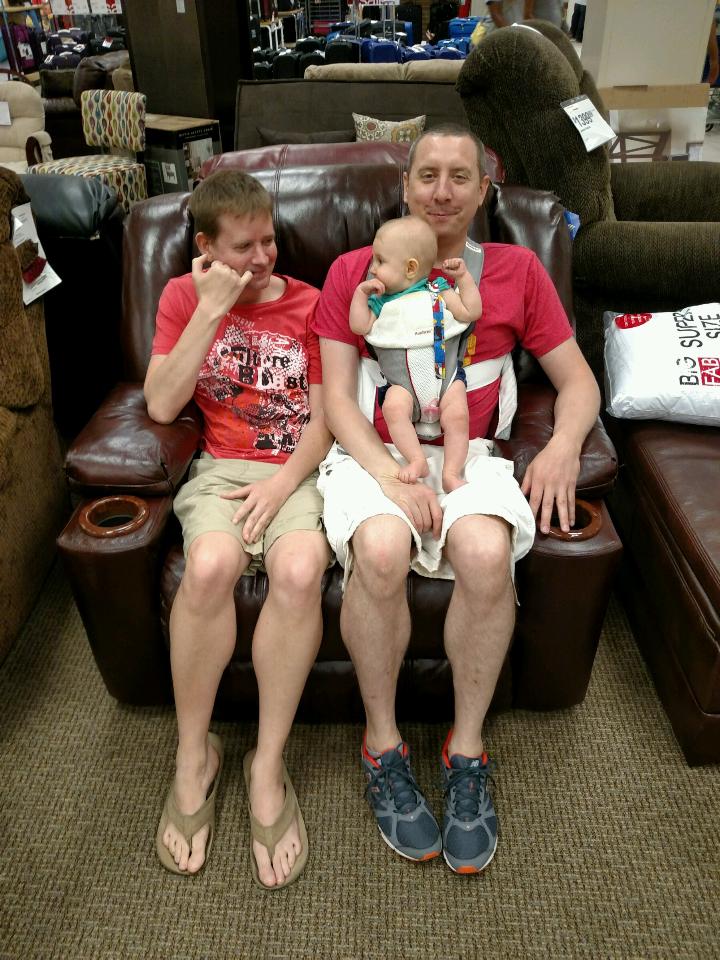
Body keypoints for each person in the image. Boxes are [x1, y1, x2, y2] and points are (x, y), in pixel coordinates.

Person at [314, 124, 600, 874]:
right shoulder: (355, 271)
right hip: (375, 449)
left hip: (467, 452)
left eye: (460, 177)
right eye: (428, 175)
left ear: (483, 191)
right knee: (380, 549)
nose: (442, 191)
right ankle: (382, 746)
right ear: (405, 186)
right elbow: (337, 400)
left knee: (484, 551)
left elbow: (577, 381)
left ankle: (465, 751)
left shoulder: (515, 271)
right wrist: (387, 475)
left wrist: (564, 444)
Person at [144, 169, 332, 889]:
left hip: (296, 471)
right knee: (211, 566)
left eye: (269, 241)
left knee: (298, 571)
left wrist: (283, 484)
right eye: (243, 246)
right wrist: (209, 310)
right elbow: (162, 406)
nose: (262, 257)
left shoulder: (311, 303)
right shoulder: (181, 298)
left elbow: (327, 418)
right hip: (221, 469)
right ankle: (195, 756)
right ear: (206, 247)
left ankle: (266, 764)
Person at [349, 215, 482, 490]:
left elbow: (470, 311)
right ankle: (416, 459)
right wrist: (361, 294)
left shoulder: (440, 291)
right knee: (393, 408)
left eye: (380, 261)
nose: (372, 268)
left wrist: (463, 278)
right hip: (403, 386)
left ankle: (452, 473)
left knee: (458, 415)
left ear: (410, 268)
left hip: (446, 381)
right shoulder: (379, 303)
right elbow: (359, 326)